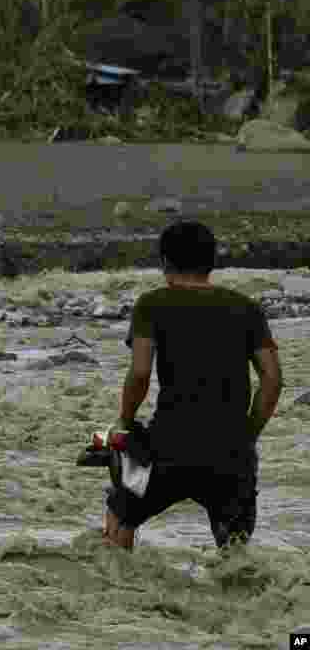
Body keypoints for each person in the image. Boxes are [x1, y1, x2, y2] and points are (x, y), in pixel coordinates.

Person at [103, 221, 283, 551]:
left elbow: (140, 373)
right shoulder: (246, 308)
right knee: (236, 554)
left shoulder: (152, 304)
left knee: (119, 519)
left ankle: (121, 593)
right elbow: (272, 380)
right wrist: (247, 435)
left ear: (165, 262)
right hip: (229, 452)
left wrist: (125, 421)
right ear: (212, 261)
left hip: (166, 447)